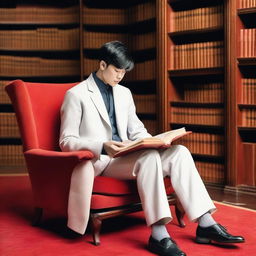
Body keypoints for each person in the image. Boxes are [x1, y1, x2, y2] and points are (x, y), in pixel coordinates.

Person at [59, 41, 244, 256]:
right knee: (148, 158)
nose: (120, 76)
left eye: (124, 72)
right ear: (102, 65)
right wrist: (102, 145)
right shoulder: (76, 95)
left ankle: (206, 224)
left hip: (128, 155)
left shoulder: (124, 93)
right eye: (117, 71)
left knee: (180, 153)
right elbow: (66, 140)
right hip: (103, 160)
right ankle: (159, 235)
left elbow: (136, 130)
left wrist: (154, 142)